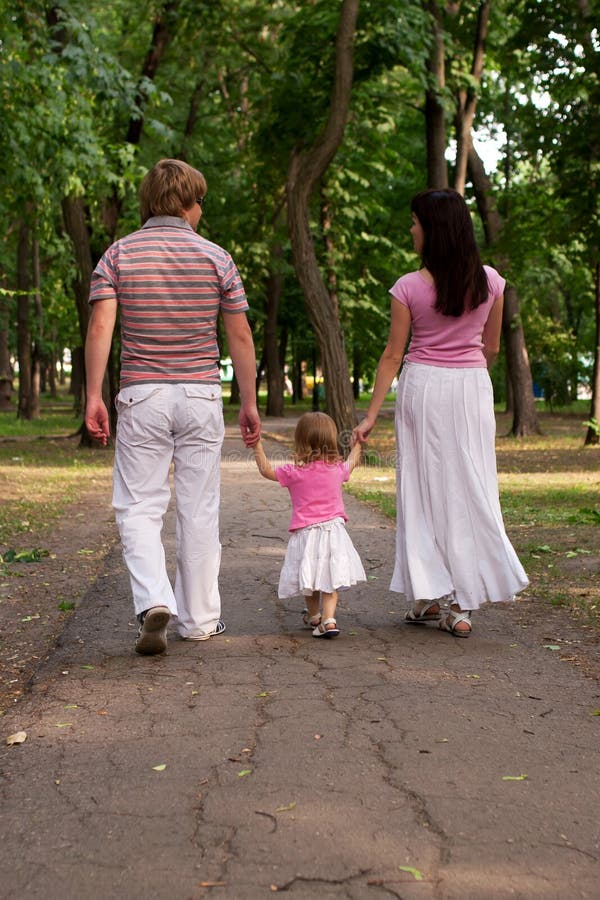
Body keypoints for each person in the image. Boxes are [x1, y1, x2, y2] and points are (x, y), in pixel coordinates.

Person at [85, 158, 261, 655]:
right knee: (199, 508)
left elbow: (101, 327)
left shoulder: (118, 256)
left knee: (139, 506)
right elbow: (240, 333)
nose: (201, 211)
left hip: (143, 396)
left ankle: (153, 601)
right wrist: (247, 401)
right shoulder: (216, 258)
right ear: (188, 204)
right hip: (201, 395)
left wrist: (93, 395)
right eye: (200, 201)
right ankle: (201, 620)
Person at [353, 188, 528, 637]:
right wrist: (465, 375)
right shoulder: (492, 282)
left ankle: (436, 596)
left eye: (415, 222)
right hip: (471, 389)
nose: (411, 230)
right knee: (469, 487)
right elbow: (489, 348)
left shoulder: (409, 287)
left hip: (424, 387)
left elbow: (393, 356)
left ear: (433, 229)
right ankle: (453, 602)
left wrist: (371, 415)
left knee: (425, 489)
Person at [253, 412, 366, 638]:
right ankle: (329, 619)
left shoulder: (294, 472)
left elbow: (266, 470)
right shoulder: (337, 470)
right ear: (332, 440)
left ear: (300, 441)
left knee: (310, 578)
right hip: (333, 533)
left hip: (306, 535)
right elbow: (352, 462)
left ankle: (315, 615)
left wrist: (256, 444)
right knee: (330, 578)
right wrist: (358, 444)